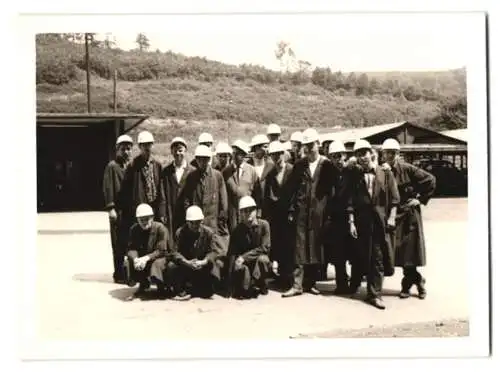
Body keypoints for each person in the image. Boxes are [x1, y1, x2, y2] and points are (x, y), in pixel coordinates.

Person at [347, 139, 400, 310]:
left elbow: (394, 199)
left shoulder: (385, 173)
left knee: (377, 258)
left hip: (379, 223)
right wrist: (351, 222)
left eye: (364, 153)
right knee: (360, 256)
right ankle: (355, 284)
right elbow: (350, 202)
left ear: (371, 153)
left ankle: (375, 294)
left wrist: (391, 217)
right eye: (358, 154)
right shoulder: (354, 176)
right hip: (361, 223)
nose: (362, 157)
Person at [282, 128, 335, 297]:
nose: (308, 148)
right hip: (301, 212)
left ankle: (310, 283)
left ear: (318, 144)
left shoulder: (327, 165)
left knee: (314, 247)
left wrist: (329, 213)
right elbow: (290, 190)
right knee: (299, 247)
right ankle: (297, 285)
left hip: (319, 213)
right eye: (306, 145)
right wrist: (291, 210)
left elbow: (333, 191)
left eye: (311, 145)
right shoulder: (300, 165)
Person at [381, 138, 436, 300]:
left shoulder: (407, 169)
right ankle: (416, 280)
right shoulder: (382, 170)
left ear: (398, 154)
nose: (389, 156)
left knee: (410, 252)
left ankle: (411, 283)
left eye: (393, 153)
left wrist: (420, 199)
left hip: (410, 214)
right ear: (382, 154)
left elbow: (430, 180)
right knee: (398, 252)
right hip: (394, 214)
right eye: (386, 153)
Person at [117, 131, 166, 242]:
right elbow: (126, 189)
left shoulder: (157, 165)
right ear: (139, 146)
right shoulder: (133, 165)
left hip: (153, 207)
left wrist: (162, 210)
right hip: (139, 207)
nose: (147, 148)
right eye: (144, 145)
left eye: (149, 144)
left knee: (153, 235)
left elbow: (161, 189)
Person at [168, 206, 224, 300]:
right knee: (171, 266)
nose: (194, 225)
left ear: (202, 221)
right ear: (187, 222)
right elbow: (174, 252)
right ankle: (180, 289)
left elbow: (214, 251)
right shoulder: (180, 232)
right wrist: (186, 262)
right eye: (191, 223)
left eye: (197, 222)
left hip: (202, 266)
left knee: (217, 265)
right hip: (186, 265)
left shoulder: (209, 233)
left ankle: (201, 288)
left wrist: (204, 261)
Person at [102, 134, 133, 284]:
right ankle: (119, 273)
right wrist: (111, 208)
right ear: (117, 150)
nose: (126, 152)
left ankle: (129, 272)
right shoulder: (112, 166)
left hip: (129, 211)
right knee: (118, 242)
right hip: (118, 210)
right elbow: (108, 188)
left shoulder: (130, 166)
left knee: (128, 241)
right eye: (123, 149)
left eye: (128, 149)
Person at [263, 141, 294, 289]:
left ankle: (290, 278)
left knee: (290, 247)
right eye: (273, 155)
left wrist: (292, 211)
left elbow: (297, 193)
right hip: (277, 217)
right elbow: (268, 197)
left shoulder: (292, 171)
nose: (277, 157)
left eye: (278, 154)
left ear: (283, 154)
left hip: (290, 214)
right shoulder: (271, 175)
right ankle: (282, 277)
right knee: (279, 246)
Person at [124, 204, 171, 301]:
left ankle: (161, 286)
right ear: (137, 220)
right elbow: (131, 248)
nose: (144, 222)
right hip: (143, 258)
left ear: (152, 218)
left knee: (157, 263)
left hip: (161, 257)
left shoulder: (160, 228)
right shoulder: (134, 230)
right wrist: (136, 259)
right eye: (142, 220)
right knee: (128, 261)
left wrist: (145, 258)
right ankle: (143, 284)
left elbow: (162, 250)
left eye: (147, 219)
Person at [183, 145, 229, 243]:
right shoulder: (191, 177)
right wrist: (190, 215)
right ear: (196, 160)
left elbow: (223, 200)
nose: (202, 162)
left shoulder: (217, 176)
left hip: (213, 221)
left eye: (205, 159)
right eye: (200, 159)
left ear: (209, 160)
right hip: (196, 221)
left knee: (212, 247)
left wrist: (221, 219)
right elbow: (186, 199)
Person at [228, 196, 271, 299]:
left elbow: (265, 248)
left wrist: (244, 257)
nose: (247, 213)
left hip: (258, 262)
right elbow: (232, 254)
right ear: (240, 213)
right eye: (244, 211)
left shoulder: (264, 225)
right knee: (244, 290)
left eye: (250, 210)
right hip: (245, 264)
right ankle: (248, 284)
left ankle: (261, 283)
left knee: (263, 260)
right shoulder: (237, 230)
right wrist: (230, 283)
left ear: (255, 211)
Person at [325, 140, 354, 294]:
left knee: (354, 252)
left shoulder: (353, 171)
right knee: (338, 254)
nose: (338, 160)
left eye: (340, 156)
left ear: (345, 155)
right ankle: (341, 283)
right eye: (334, 157)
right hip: (335, 219)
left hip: (352, 218)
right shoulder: (329, 173)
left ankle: (354, 282)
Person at [161, 137, 195, 249]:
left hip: (187, 212)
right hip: (171, 211)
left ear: (185, 151)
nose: (177, 153)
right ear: (171, 151)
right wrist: (163, 212)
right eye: (175, 150)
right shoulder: (166, 171)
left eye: (180, 150)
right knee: (172, 239)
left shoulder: (192, 171)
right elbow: (162, 194)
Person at [222, 140, 259, 232]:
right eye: (233, 153)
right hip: (232, 214)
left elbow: (257, 194)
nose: (234, 156)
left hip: (248, 213)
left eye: (237, 153)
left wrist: (257, 214)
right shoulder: (226, 172)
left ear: (243, 155)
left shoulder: (252, 171)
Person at [248, 134, 274, 215]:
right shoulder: (248, 166)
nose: (267, 149)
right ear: (256, 148)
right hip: (251, 209)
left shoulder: (271, 166)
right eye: (265, 147)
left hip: (268, 209)